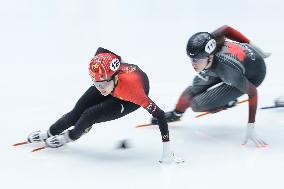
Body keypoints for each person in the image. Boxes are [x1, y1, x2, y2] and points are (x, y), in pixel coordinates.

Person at [27, 47, 183, 163]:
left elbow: (160, 114)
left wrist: (167, 151)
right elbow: (101, 51)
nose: (100, 89)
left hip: (127, 99)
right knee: (75, 113)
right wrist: (102, 82)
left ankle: (69, 137)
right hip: (115, 84)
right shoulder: (103, 76)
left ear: (115, 77)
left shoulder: (134, 91)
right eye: (96, 84)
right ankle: (48, 133)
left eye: (102, 85)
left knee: (90, 115)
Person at [152, 25, 270, 148]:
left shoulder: (227, 71)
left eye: (197, 60)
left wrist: (251, 126)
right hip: (230, 64)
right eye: (192, 59)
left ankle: (226, 102)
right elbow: (226, 29)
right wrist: (250, 43)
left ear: (210, 56)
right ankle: (177, 114)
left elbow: (253, 92)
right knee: (193, 89)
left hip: (252, 76)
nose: (193, 64)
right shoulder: (209, 41)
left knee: (197, 104)